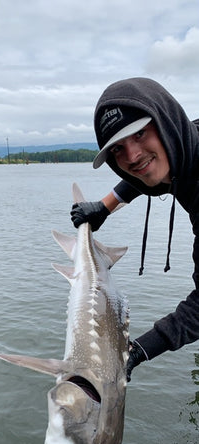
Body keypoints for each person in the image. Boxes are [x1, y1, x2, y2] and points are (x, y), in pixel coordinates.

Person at [71, 77, 199, 381]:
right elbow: (146, 171)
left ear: (166, 123)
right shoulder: (185, 145)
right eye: (117, 149)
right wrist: (105, 206)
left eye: (140, 133)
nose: (131, 156)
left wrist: (140, 350)